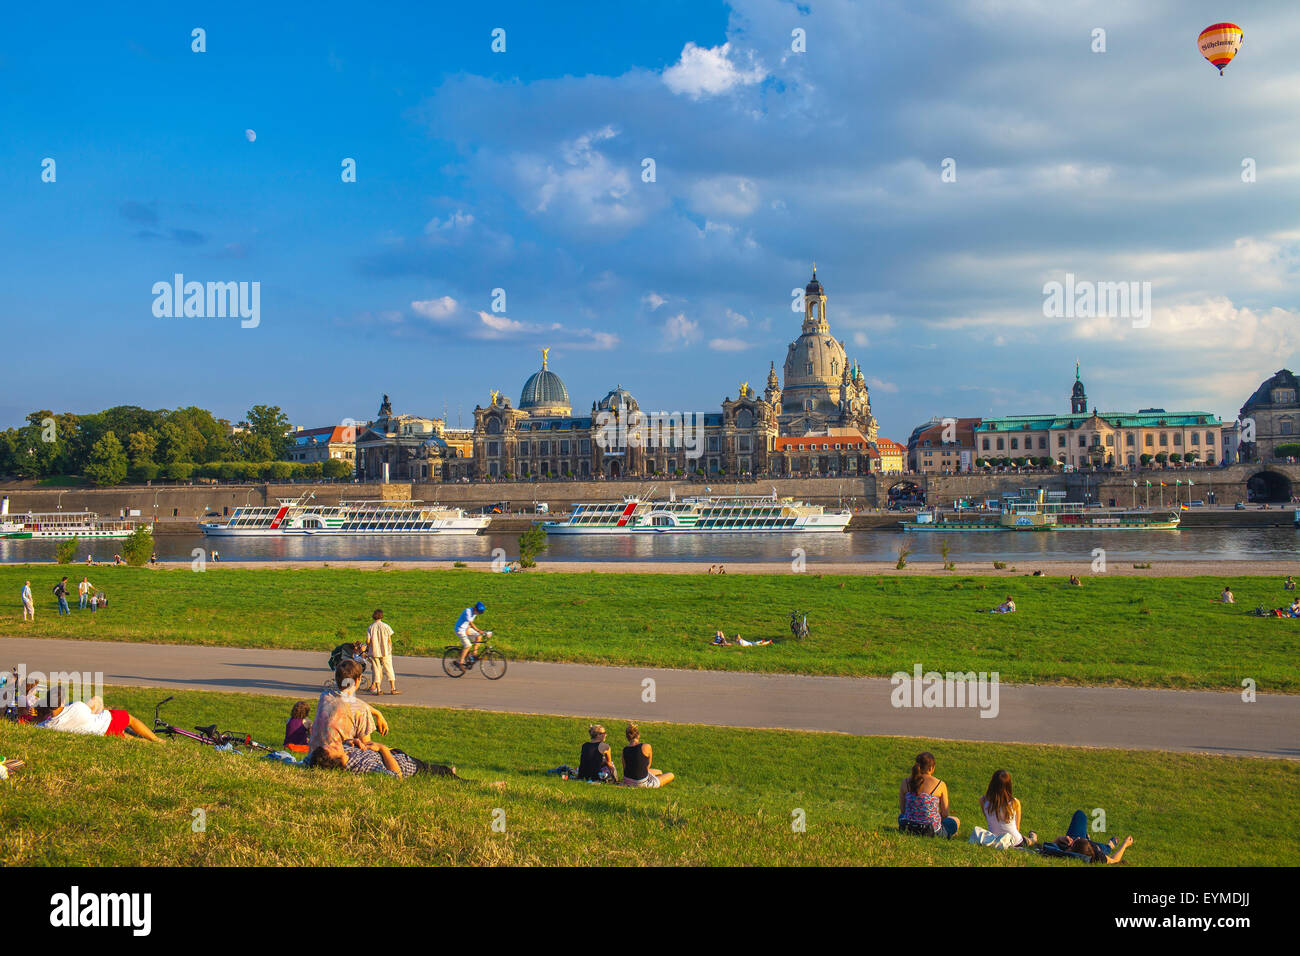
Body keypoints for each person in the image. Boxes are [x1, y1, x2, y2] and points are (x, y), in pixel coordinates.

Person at [307, 659, 389, 754]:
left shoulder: (325, 696)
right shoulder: (361, 709)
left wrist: (377, 713)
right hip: (337, 759)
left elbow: (350, 701)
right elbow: (366, 746)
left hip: (313, 756)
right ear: (357, 680)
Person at [35, 692, 160, 742]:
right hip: (106, 722)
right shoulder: (76, 706)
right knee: (129, 718)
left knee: (125, 737)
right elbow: (91, 709)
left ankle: (142, 742)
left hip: (102, 733)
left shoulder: (48, 726)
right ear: (62, 702)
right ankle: (157, 740)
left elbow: (37, 727)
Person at [898, 751, 960, 838]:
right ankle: (948, 834)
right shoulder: (940, 784)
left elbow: (903, 810)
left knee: (901, 816)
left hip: (909, 827)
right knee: (955, 820)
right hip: (930, 830)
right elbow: (945, 813)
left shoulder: (905, 782)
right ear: (931, 768)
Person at [980, 769, 1037, 848]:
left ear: (992, 784)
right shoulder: (1015, 803)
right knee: (1030, 841)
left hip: (994, 840)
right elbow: (1017, 828)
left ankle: (1032, 837)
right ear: (1009, 785)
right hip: (1014, 841)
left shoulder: (983, 800)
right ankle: (1033, 837)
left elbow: (990, 821)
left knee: (1024, 839)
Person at [1050, 810, 1134, 864]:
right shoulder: (1099, 856)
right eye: (1078, 839)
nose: (1078, 838)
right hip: (1098, 848)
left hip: (1086, 845)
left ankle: (1087, 838)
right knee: (1105, 848)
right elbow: (1114, 861)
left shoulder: (1065, 847)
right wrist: (1125, 844)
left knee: (1080, 814)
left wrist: (1060, 839)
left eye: (1078, 839)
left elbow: (1052, 844)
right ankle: (1109, 846)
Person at [620, 723, 673, 788]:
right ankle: (651, 781)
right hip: (641, 783)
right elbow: (648, 766)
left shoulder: (624, 750)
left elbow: (625, 769)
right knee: (671, 775)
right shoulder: (647, 746)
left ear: (627, 737)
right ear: (638, 735)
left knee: (659, 772)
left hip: (627, 781)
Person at [366, 609, 398, 695]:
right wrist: (390, 648)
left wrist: (370, 647)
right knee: (389, 669)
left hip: (375, 652)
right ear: (381, 616)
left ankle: (379, 689)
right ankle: (393, 688)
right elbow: (389, 640)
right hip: (386, 651)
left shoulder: (370, 627)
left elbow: (368, 641)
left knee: (376, 670)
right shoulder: (386, 626)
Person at [455, 600, 490, 670]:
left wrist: (468, 631)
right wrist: (478, 630)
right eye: (479, 612)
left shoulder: (475, 613)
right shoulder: (468, 611)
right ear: (475, 609)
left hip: (466, 629)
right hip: (460, 629)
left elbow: (468, 624)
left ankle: (474, 655)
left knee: (478, 637)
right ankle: (460, 663)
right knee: (468, 645)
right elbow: (470, 623)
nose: (478, 614)